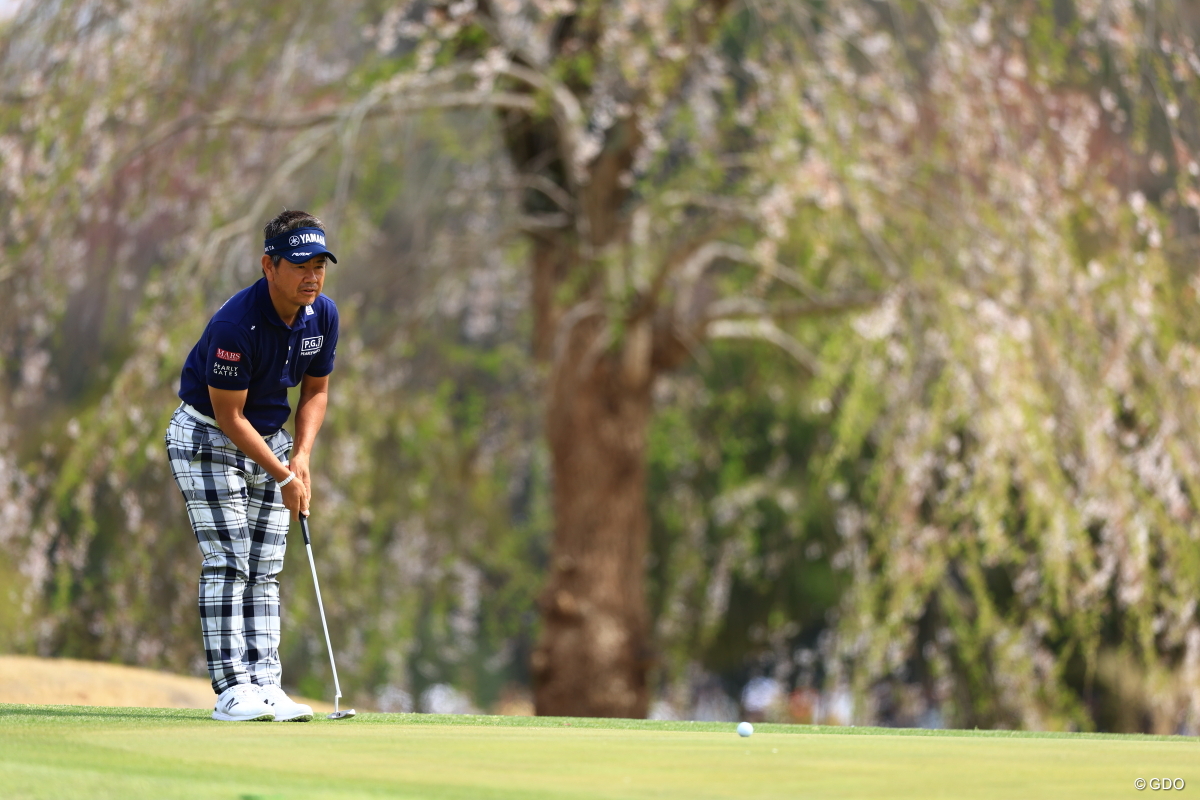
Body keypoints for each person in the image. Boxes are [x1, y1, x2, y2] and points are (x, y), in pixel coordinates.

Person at [164, 210, 339, 722]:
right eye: (301, 264)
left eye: (320, 265)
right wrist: (282, 474)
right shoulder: (235, 325)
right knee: (230, 557)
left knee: (265, 566)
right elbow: (228, 416)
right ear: (269, 265)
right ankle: (232, 689)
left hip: (270, 439)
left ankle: (266, 684)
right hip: (206, 436)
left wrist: (300, 456)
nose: (312, 276)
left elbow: (317, 391)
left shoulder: (322, 316)